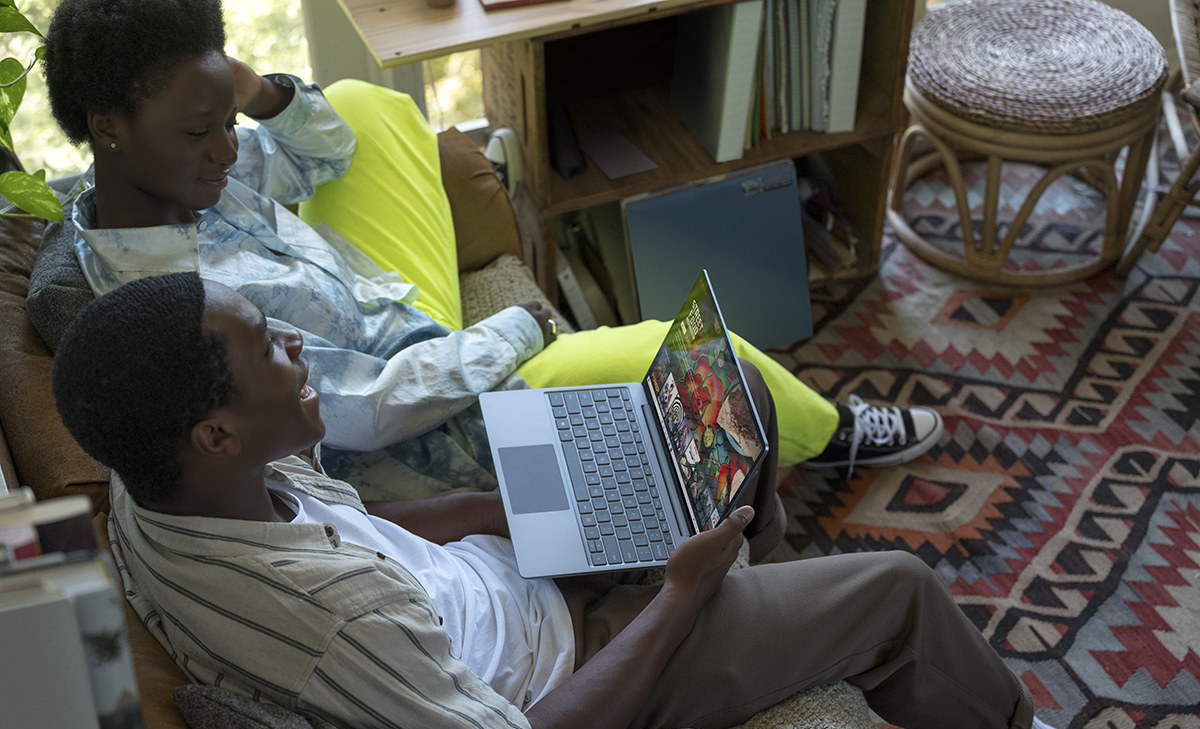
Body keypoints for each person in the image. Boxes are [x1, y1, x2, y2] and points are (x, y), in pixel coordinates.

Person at [52, 271, 1200, 729]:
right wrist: (679, 597)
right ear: (214, 428)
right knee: (897, 587)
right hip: (581, 667)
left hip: (526, 578)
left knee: (721, 395)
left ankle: (757, 580)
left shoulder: (159, 492)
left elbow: (378, 531)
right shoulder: (328, 614)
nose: (300, 349)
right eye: (270, 350)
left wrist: (499, 507)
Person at [36, 0, 941, 507]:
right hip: (418, 419)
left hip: (387, 312)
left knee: (367, 104)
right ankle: (827, 434)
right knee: (681, 348)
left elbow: (328, 152)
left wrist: (258, 92)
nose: (227, 152)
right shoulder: (176, 310)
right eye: (202, 132)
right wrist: (515, 329)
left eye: (225, 124)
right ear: (106, 129)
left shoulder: (168, 182)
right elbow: (363, 413)